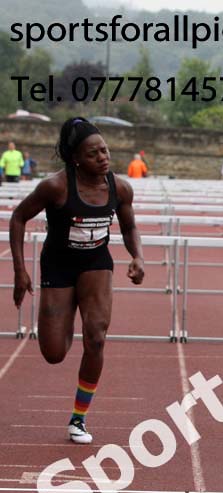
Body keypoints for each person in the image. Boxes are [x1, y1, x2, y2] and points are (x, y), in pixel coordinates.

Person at [10, 117, 145, 444]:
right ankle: (66, 311)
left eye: (105, 150)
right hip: (58, 264)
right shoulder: (55, 187)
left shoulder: (119, 187)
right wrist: (20, 271)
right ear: (75, 159)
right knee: (54, 353)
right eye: (93, 154)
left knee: (96, 337)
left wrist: (137, 256)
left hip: (96, 263)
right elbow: (18, 218)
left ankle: (78, 418)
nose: (103, 157)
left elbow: (128, 228)